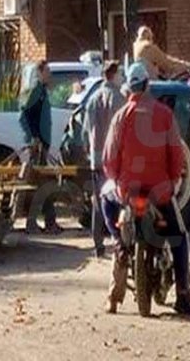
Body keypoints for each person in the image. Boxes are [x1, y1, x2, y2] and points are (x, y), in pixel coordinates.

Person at [103, 62, 190, 315]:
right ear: (147, 85)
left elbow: (109, 161)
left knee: (110, 215)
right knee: (179, 238)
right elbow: (176, 156)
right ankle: (183, 295)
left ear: (128, 90)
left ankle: (119, 247)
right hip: (160, 193)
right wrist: (172, 181)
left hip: (128, 192)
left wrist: (118, 181)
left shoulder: (120, 117)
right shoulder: (165, 115)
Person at [82, 61, 126, 258]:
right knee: (119, 199)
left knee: (98, 203)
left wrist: (89, 152)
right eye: (120, 74)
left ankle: (98, 244)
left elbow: (84, 132)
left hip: (95, 159)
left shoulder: (92, 99)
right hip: (114, 160)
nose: (122, 78)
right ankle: (119, 240)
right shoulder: (119, 98)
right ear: (114, 75)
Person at [18, 61, 63, 235]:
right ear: (40, 72)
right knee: (42, 185)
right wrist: (33, 137)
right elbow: (24, 115)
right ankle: (40, 222)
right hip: (37, 146)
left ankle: (47, 222)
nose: (49, 74)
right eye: (47, 71)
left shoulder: (42, 91)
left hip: (42, 144)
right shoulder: (36, 91)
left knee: (43, 184)